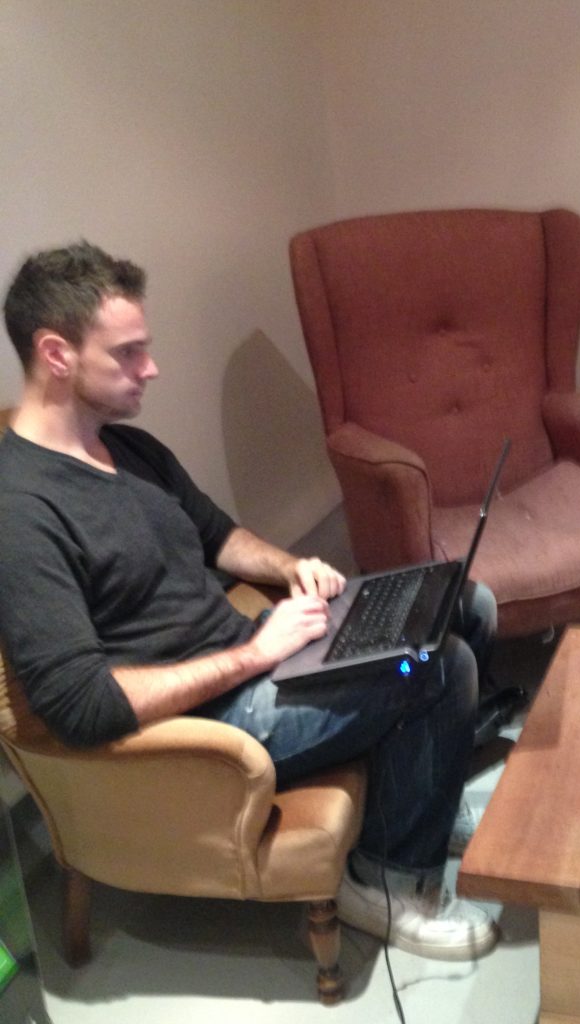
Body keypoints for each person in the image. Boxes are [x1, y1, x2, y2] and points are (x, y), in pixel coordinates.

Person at [0, 240, 498, 961]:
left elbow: (217, 534)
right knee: (437, 665)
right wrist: (254, 655)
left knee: (464, 602)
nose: (153, 368)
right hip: (209, 721)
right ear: (56, 355)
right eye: (130, 353)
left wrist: (294, 566)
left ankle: (421, 793)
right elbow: (80, 706)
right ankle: (387, 884)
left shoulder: (127, 449)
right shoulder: (21, 512)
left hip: (254, 653)